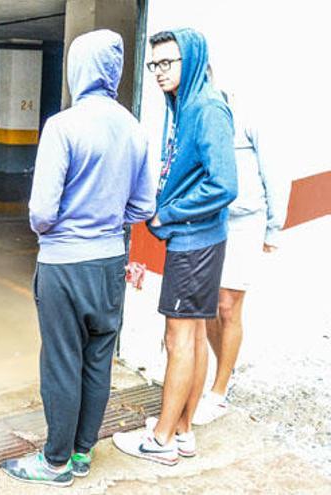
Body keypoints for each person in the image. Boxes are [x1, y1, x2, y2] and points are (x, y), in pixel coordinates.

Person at [1, 29, 155, 487]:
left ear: (77, 70)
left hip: (64, 265)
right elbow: (145, 207)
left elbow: (42, 212)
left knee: (62, 362)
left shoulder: (63, 126)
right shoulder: (134, 127)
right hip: (110, 263)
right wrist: (108, 221)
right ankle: (84, 454)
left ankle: (54, 464)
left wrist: (60, 228)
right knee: (97, 360)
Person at [112, 28, 238, 466]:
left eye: (168, 63)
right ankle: (182, 431)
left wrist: (169, 214)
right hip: (196, 239)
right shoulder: (186, 106)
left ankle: (161, 440)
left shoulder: (207, 109)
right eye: (155, 65)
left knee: (179, 337)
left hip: (195, 240)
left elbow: (225, 184)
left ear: (193, 61)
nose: (160, 72)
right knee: (196, 334)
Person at [192, 72, 290, 426]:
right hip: (207, 222)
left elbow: (276, 172)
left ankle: (219, 391)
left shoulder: (246, 112)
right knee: (207, 309)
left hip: (244, 221)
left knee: (227, 305)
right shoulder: (191, 116)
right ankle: (222, 370)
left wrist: (273, 228)